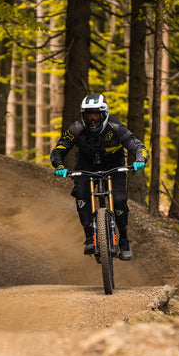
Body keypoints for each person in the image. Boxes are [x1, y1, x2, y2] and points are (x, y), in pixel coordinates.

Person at [50, 93, 148, 261]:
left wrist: (140, 159)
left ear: (104, 114)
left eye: (96, 115)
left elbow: (138, 145)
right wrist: (59, 166)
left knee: (119, 200)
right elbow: (58, 150)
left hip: (114, 163)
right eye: (89, 116)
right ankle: (89, 236)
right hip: (86, 162)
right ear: (83, 116)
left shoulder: (115, 127)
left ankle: (123, 238)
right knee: (81, 193)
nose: (93, 120)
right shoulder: (76, 129)